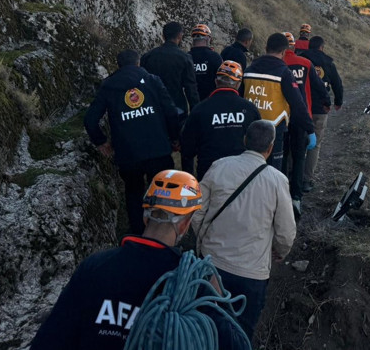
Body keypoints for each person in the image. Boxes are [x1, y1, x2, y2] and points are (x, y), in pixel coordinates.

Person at [31, 170, 248, 350]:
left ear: (145, 215)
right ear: (185, 224)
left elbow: (49, 340)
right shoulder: (197, 283)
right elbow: (236, 345)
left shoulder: (95, 267)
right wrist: (214, 293)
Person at [192, 120, 297, 343]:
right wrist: (281, 252)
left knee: (204, 326)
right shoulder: (278, 181)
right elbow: (286, 232)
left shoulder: (219, 166)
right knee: (240, 334)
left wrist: (202, 243)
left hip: (211, 265)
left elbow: (196, 212)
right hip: (251, 275)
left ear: (245, 141)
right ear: (270, 148)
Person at [84, 50, 179, 234]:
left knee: (133, 193)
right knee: (163, 192)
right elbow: (171, 112)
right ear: (138, 63)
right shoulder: (152, 81)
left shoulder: (108, 86)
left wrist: (101, 142)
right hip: (157, 149)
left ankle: (137, 233)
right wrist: (174, 138)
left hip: (128, 154)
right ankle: (162, 232)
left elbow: (90, 119)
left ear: (118, 65)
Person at [243, 33, 316, 171]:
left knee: (248, 169)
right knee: (272, 171)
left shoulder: (248, 70)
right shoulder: (284, 73)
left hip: (250, 129)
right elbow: (298, 104)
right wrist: (310, 129)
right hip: (273, 132)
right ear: (283, 52)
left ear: (266, 48)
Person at [181, 61, 261, 180]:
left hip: (209, 174)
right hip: (243, 175)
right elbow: (259, 145)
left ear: (216, 82)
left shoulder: (200, 109)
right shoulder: (250, 109)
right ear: (238, 84)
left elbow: (187, 148)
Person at [282, 32, 329, 214]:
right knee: (299, 156)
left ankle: (281, 191)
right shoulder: (304, 63)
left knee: (283, 155)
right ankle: (296, 196)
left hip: (280, 118)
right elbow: (319, 85)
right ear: (293, 46)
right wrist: (326, 102)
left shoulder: (276, 64)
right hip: (302, 116)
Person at [299, 35, 344, 193]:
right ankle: (306, 180)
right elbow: (337, 83)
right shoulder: (328, 62)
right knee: (315, 145)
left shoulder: (301, 60)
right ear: (322, 47)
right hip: (320, 109)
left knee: (296, 142)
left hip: (300, 107)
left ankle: (291, 175)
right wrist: (338, 101)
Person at [140, 21, 199, 122]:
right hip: (177, 107)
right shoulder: (185, 58)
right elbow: (190, 88)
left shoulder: (148, 56)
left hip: (154, 107)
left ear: (163, 36)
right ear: (180, 36)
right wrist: (196, 113)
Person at [188, 23, 223, 101]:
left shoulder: (186, 57)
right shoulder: (215, 57)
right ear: (208, 39)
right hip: (211, 101)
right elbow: (221, 79)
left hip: (191, 102)